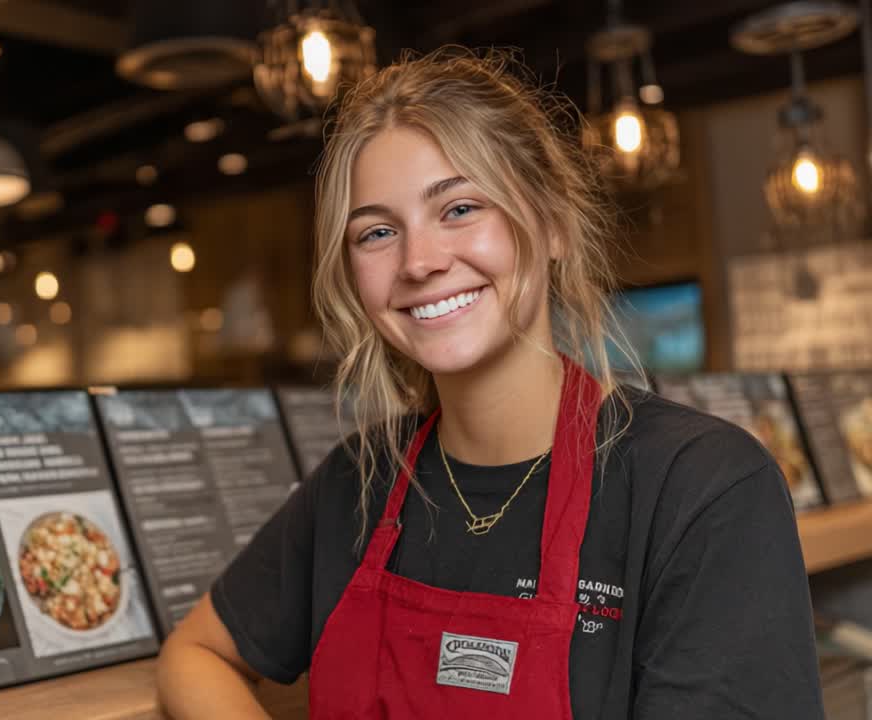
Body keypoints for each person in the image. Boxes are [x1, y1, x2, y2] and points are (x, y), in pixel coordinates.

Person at [156, 48, 823, 719]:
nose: (419, 262)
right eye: (378, 231)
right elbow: (197, 654)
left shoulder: (703, 491)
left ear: (553, 222)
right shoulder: (357, 485)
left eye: (459, 208)